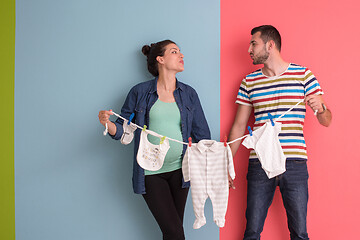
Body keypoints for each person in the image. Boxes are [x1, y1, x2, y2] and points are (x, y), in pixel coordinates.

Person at [98, 40, 211, 240]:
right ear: (160, 59)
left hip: (181, 171)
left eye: (180, 52)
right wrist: (106, 122)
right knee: (174, 232)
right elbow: (124, 131)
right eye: (175, 52)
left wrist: (213, 170)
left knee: (173, 232)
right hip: (150, 172)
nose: (181, 55)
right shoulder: (139, 92)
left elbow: (203, 136)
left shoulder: (189, 94)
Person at [228, 25, 332, 240]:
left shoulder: (304, 75)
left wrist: (320, 108)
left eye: (253, 43)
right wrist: (226, 162)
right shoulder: (249, 81)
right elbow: (239, 126)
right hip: (260, 163)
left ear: (270, 45)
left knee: (300, 232)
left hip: (294, 162)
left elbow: (326, 121)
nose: (249, 49)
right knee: (252, 231)